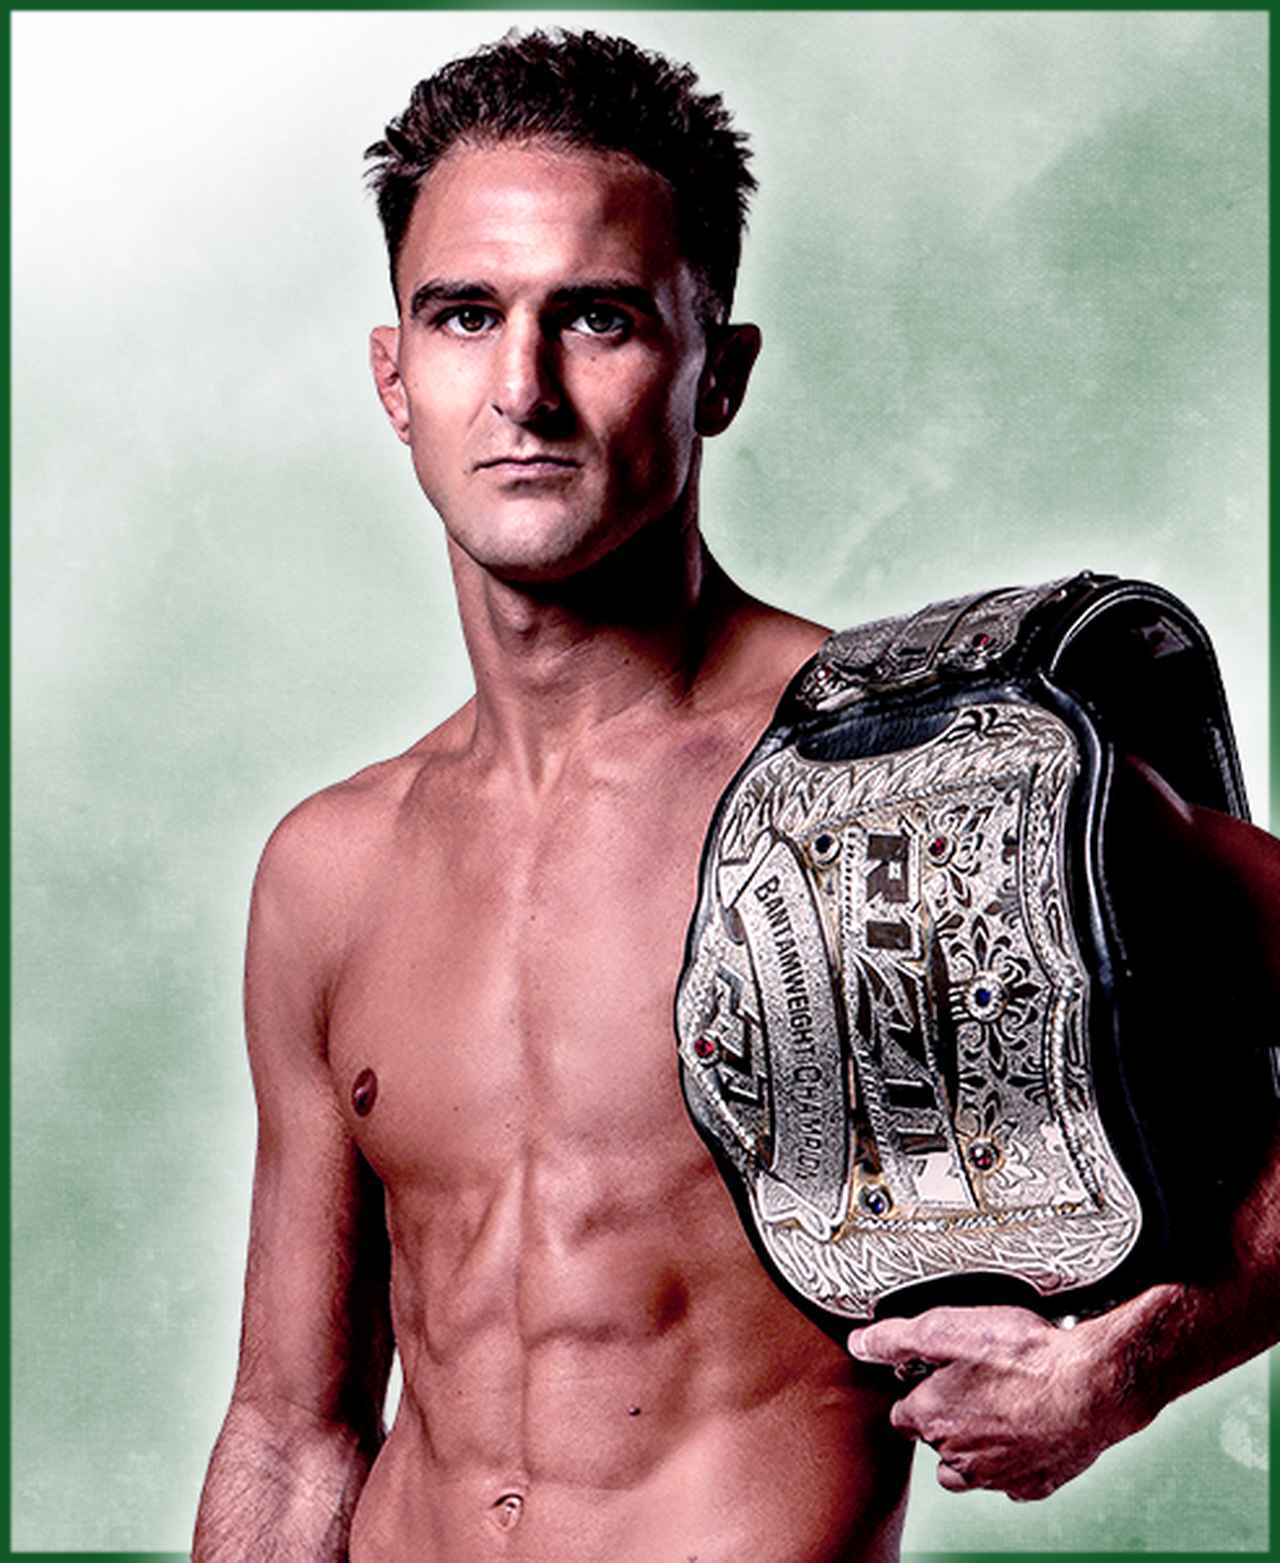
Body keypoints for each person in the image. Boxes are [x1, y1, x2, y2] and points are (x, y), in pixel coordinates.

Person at [193, 29, 1280, 1562]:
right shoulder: (332, 869)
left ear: (721, 372)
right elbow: (291, 1430)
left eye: (600, 318)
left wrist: (1125, 1366)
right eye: (465, 315)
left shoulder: (917, 781)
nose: (522, 388)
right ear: (395, 375)